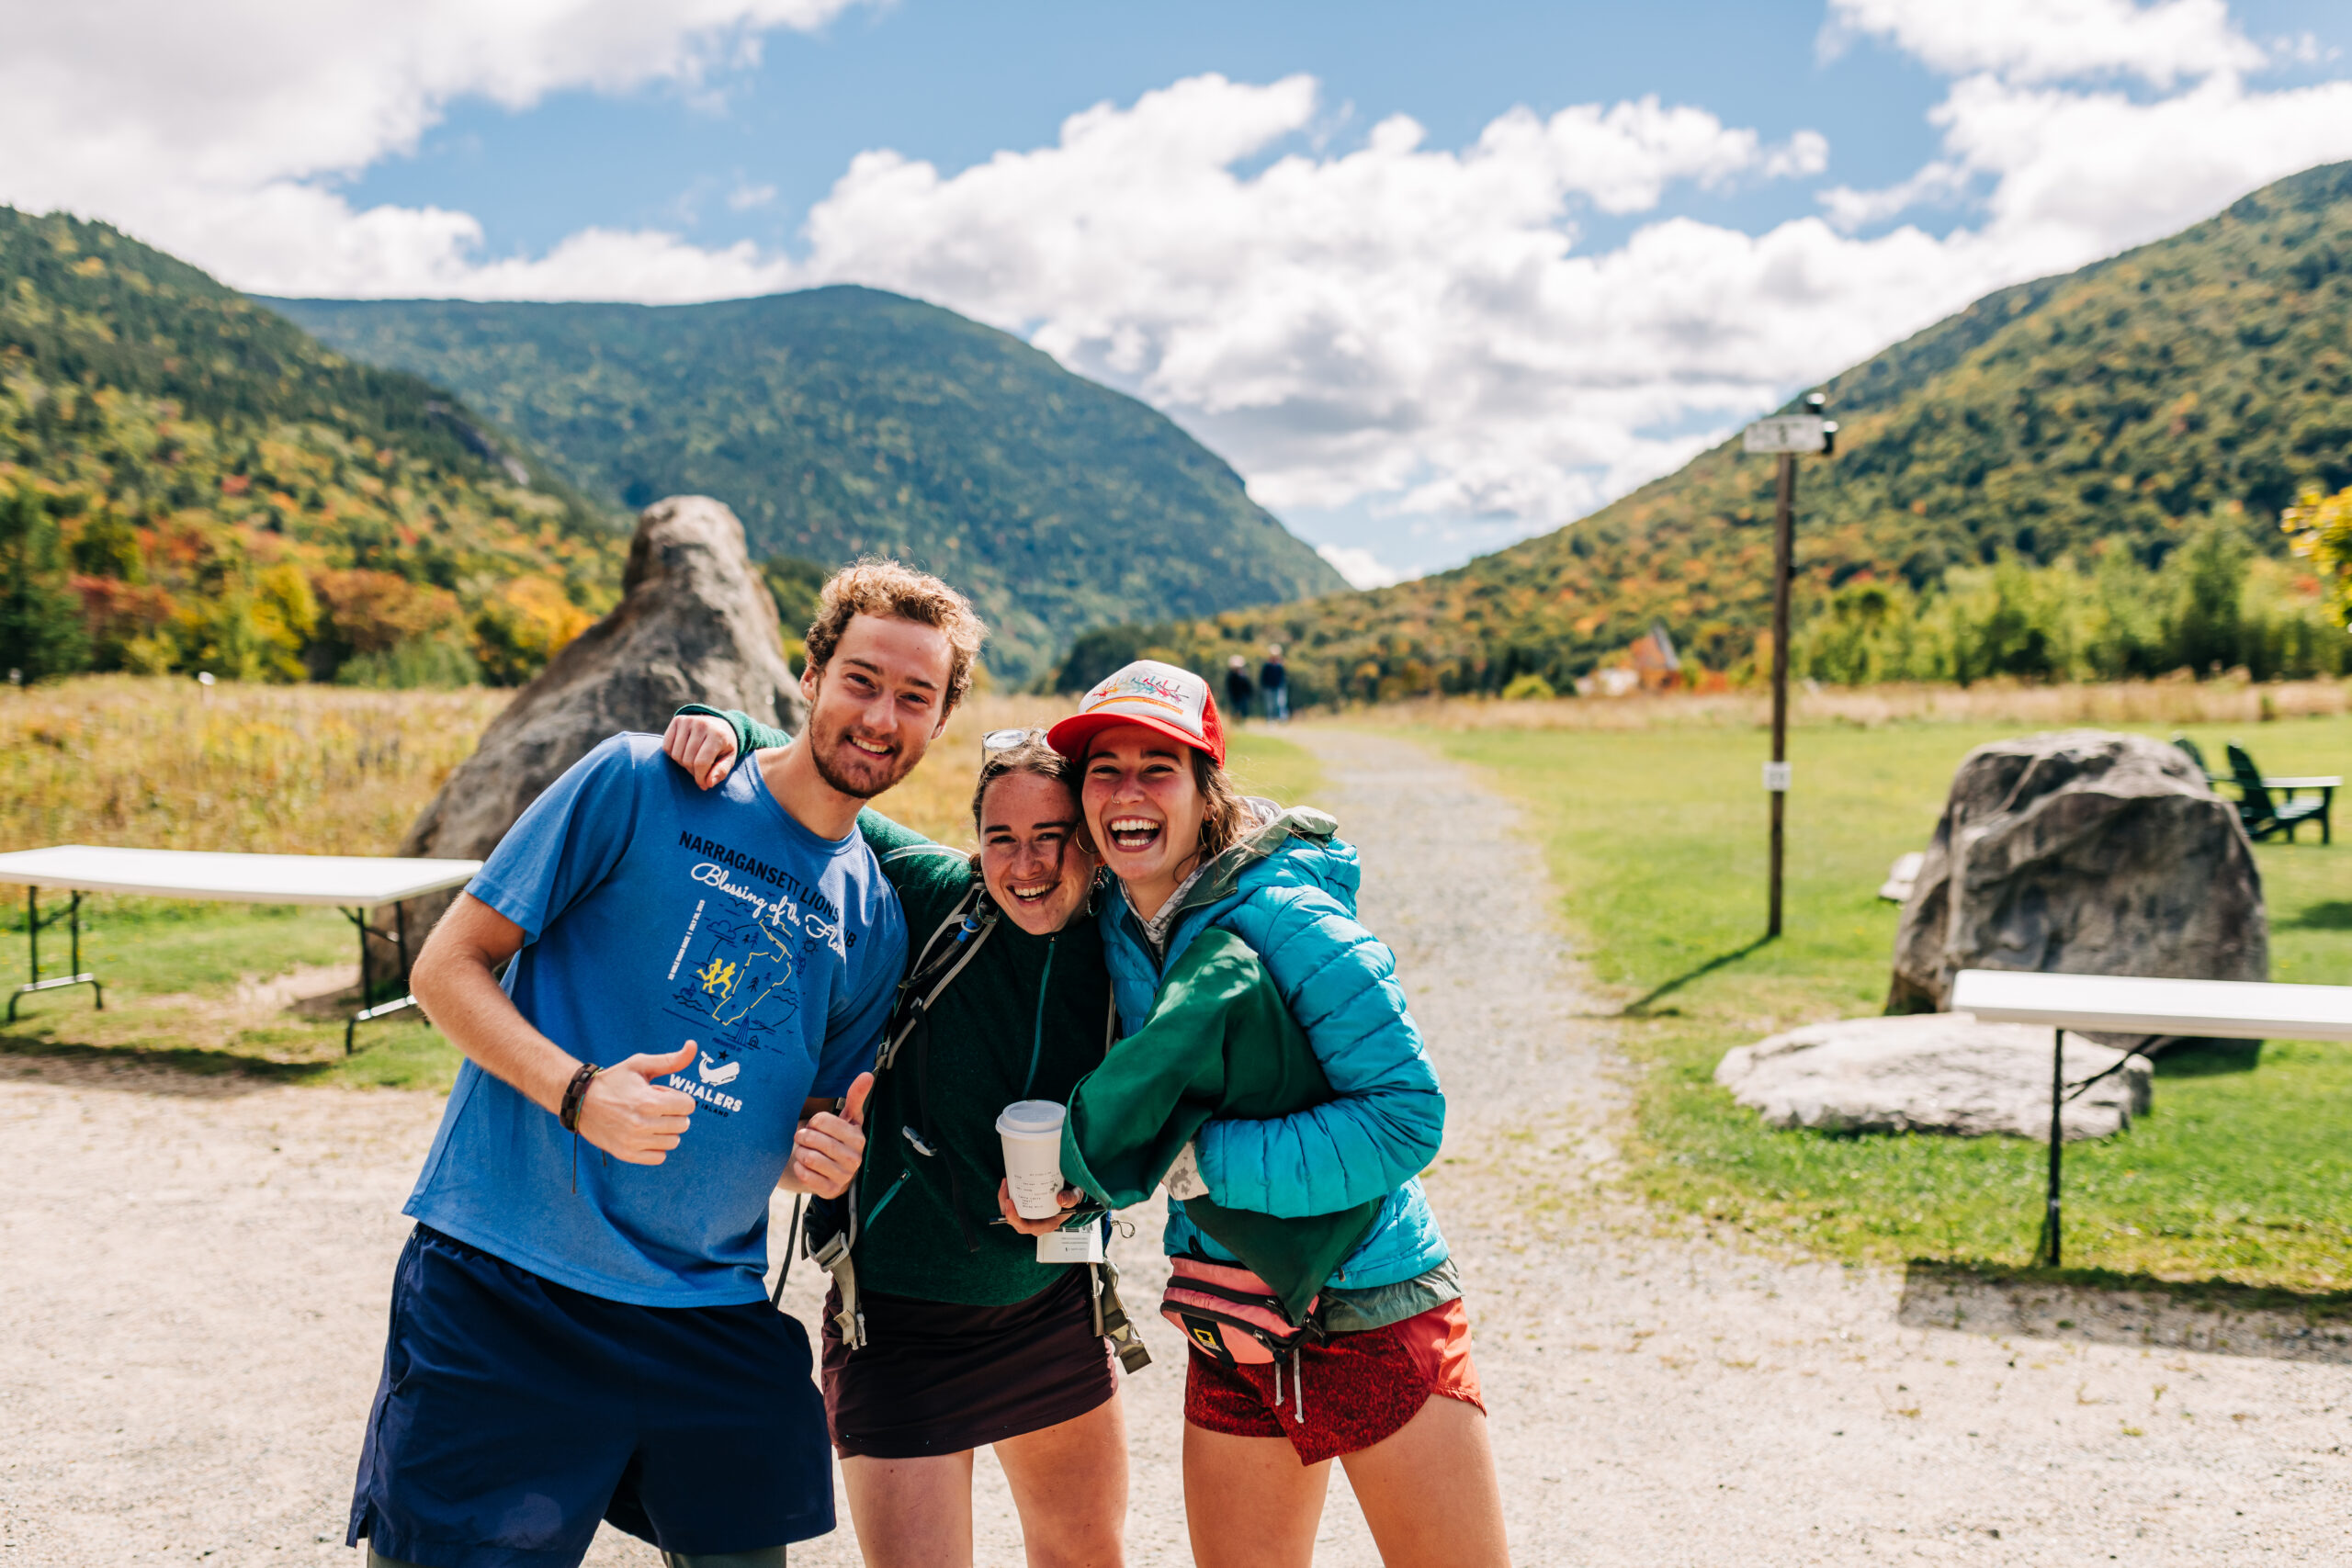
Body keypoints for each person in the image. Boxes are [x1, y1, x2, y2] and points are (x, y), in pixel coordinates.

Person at [348, 560, 983, 1568]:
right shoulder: (639, 782)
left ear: (940, 720)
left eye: (915, 696)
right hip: (510, 1283)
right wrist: (578, 1092)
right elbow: (445, 967)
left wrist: (815, 1159)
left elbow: (797, 1123)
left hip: (704, 1311)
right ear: (810, 677)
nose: (880, 717)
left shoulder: (871, 915)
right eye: (861, 680)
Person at [1026, 660, 1510, 1568]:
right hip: (1231, 1314)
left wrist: (1194, 1165)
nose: (1128, 792)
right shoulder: (1117, 921)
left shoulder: (1286, 914)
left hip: (1368, 1306)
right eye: (1104, 769)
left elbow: (1406, 1117)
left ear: (1205, 788)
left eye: (1157, 768)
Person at [660, 711, 1139, 1568]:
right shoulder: (932, 891)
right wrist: (723, 725)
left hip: (1050, 1308)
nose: (1025, 865)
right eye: (1001, 839)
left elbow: (1160, 1112)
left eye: (1052, 837)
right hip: (896, 1322)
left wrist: (1088, 1187)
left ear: (1095, 843)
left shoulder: (1124, 947)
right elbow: (811, 776)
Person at [1259, 646, 1288, 723]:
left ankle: (1283, 719)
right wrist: (1264, 686)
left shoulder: (1280, 665)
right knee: (1270, 705)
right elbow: (1263, 677)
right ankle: (1270, 719)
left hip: (1279, 687)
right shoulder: (1267, 665)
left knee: (1281, 703)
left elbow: (1283, 676)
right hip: (1269, 687)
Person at [1223, 654, 1254, 722]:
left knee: (1243, 708)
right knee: (1236, 709)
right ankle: (1236, 720)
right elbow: (1229, 686)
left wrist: (1249, 694)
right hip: (1235, 695)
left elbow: (1247, 685)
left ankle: (1242, 720)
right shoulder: (1231, 675)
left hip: (1243, 695)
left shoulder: (1243, 674)